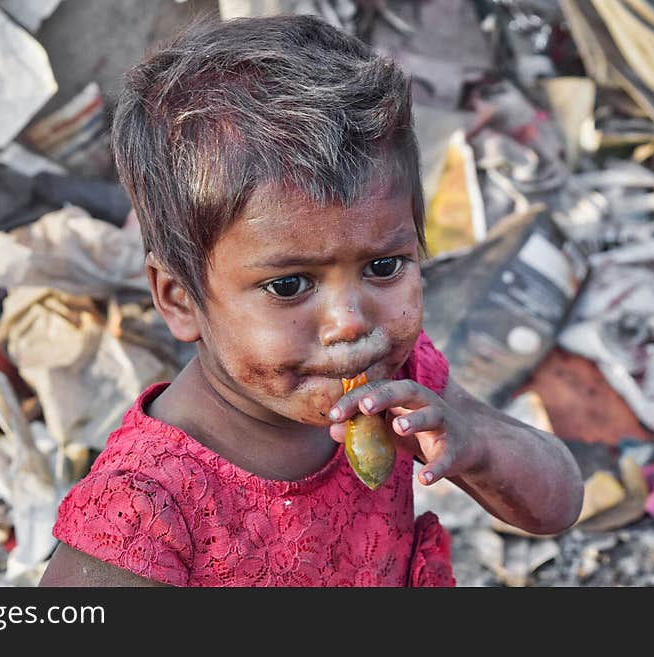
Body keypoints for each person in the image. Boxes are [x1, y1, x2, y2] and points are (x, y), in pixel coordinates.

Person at [38, 14, 583, 587]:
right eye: (290, 285)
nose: (349, 323)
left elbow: (557, 504)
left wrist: (475, 446)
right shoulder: (147, 507)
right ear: (179, 300)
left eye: (383, 267)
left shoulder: (401, 388)